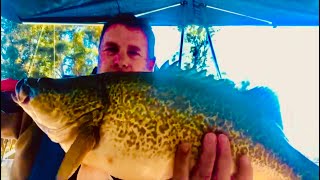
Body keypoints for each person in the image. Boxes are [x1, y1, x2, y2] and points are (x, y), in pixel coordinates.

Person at [1, 13, 252, 180]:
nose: (121, 60)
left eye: (134, 53)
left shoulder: (172, 114)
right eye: (111, 50)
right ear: (98, 57)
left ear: (151, 66)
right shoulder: (33, 120)